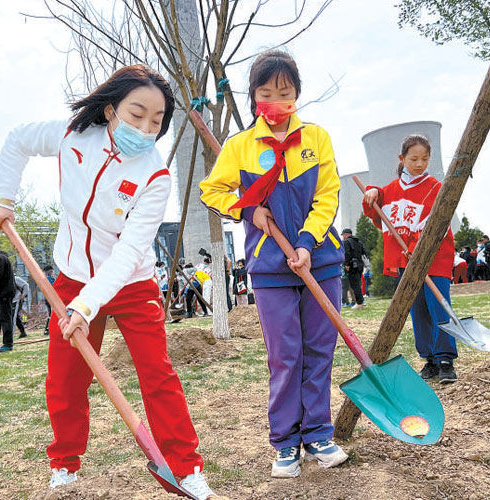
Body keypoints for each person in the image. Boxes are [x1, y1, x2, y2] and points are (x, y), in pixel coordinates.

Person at [0, 64, 218, 497]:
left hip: (131, 283)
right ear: (111, 110)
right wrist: (3, 196)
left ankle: (186, 468)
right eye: (136, 114)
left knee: (158, 374)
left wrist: (86, 306)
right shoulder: (73, 136)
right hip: (72, 278)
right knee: (65, 379)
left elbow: (128, 253)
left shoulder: (155, 176)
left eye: (156, 121)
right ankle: (65, 465)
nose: (145, 128)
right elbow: (17, 139)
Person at [200, 50, 349, 478]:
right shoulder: (240, 146)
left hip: (320, 262)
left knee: (319, 351)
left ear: (297, 94)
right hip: (269, 269)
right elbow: (212, 191)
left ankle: (318, 434)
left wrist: (306, 243)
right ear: (253, 98)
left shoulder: (316, 138)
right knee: (285, 356)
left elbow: (328, 195)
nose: (276, 101)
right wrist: (248, 210)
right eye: (266, 93)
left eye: (284, 92)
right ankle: (285, 442)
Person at [362, 134, 458, 384]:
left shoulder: (435, 188)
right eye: (414, 159)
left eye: (424, 159)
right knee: (418, 311)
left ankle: (445, 359)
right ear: (402, 158)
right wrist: (373, 193)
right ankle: (429, 359)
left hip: (433, 259)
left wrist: (416, 247)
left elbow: (434, 223)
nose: (419, 164)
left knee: (439, 307)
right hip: (406, 262)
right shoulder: (391, 191)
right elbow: (378, 216)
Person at [341, 228, 367, 309]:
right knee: (358, 284)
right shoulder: (359, 241)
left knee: (354, 285)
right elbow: (364, 253)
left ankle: (359, 303)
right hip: (360, 264)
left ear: (345, 234)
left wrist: (346, 264)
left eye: (343, 235)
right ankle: (361, 301)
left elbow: (347, 253)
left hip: (352, 265)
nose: (343, 237)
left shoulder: (346, 242)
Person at [43, 265, 55, 335]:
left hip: (49, 298)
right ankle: (48, 329)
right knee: (51, 314)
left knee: (51, 314)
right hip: (50, 298)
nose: (52, 272)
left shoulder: (49, 278)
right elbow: (53, 286)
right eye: (51, 271)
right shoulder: (48, 278)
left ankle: (48, 329)